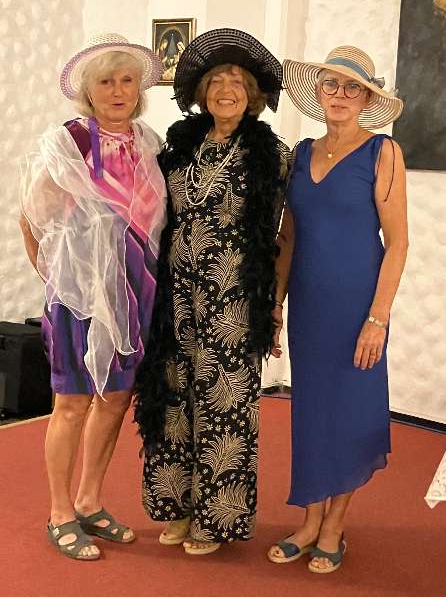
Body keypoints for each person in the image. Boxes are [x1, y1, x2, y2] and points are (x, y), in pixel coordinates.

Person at [132, 28, 290, 556]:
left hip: (234, 302)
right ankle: (176, 507)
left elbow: (283, 234)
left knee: (225, 404)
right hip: (175, 297)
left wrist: (274, 304)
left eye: (238, 82)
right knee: (173, 400)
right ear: (202, 92)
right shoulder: (177, 148)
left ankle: (216, 519)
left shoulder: (273, 154)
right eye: (217, 80)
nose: (227, 89)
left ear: (253, 95)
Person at [19, 33, 166, 560]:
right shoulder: (68, 142)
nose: (118, 90)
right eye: (106, 81)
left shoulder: (149, 142)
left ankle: (89, 501)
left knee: (116, 399)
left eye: (127, 80)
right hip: (80, 297)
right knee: (73, 402)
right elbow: (31, 217)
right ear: (88, 90)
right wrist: (60, 281)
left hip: (135, 290)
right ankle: (60, 512)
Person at [267, 46, 408, 573]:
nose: (341, 95)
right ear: (318, 92)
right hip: (308, 306)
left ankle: (334, 526)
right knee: (310, 411)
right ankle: (309, 521)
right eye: (332, 85)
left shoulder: (382, 152)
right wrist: (275, 304)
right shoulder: (301, 153)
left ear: (368, 99)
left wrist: (378, 318)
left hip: (357, 308)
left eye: (354, 88)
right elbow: (287, 238)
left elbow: (398, 243)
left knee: (348, 412)